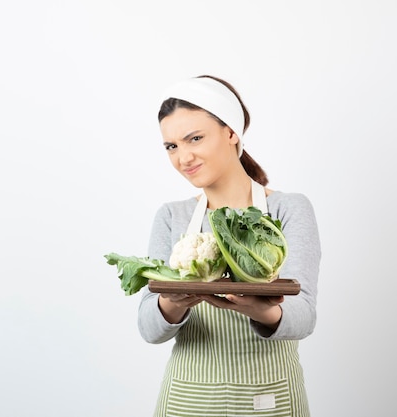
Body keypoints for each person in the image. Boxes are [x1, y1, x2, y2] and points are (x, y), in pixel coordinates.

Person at [137, 75, 321, 417]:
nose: (183, 157)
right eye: (172, 146)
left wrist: (258, 309)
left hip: (270, 397)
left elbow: (304, 317)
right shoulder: (172, 217)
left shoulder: (287, 209)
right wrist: (172, 302)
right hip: (187, 400)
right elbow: (149, 328)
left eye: (195, 138)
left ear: (231, 132)